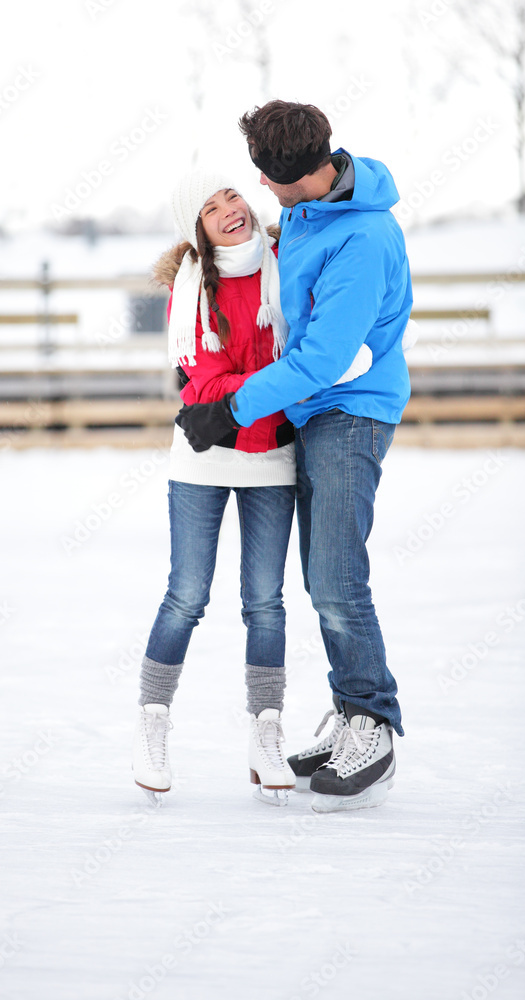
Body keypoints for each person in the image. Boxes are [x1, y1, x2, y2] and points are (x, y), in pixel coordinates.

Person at [176, 101, 414, 813]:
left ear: (280, 176)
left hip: (351, 412)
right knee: (321, 577)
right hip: (315, 412)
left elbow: (323, 356)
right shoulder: (308, 214)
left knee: (337, 579)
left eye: (257, 174)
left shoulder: (361, 237)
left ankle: (372, 722)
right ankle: (347, 711)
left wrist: (232, 408)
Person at [132, 169, 374, 806]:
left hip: (271, 457)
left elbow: (302, 360)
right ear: (198, 231)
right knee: (186, 595)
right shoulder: (189, 291)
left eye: (232, 195)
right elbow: (204, 386)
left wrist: (268, 381)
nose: (229, 210)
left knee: (265, 601)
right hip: (203, 460)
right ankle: (152, 725)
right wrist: (277, 380)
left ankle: (265, 733)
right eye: (210, 208)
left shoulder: (287, 262)